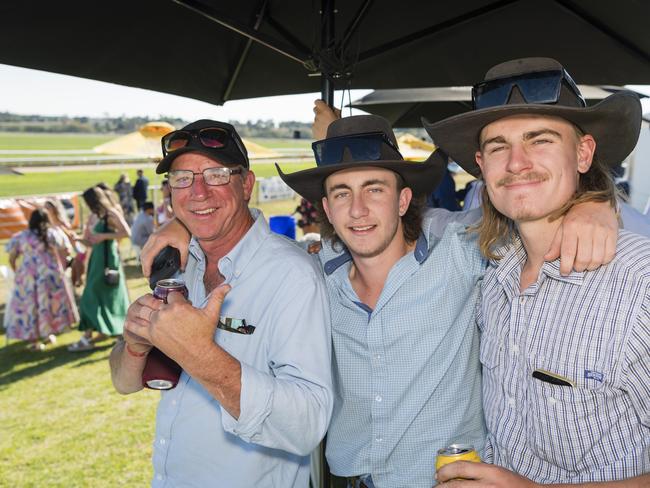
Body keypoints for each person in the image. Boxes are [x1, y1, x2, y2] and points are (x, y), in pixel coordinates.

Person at [140, 113, 620, 487]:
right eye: (342, 193)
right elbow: (235, 222)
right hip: (345, 481)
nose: (359, 210)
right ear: (325, 208)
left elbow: (531, 205)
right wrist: (182, 222)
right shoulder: (315, 273)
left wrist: (594, 202)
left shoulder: (458, 250)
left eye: (375, 189)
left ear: (404, 200)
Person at [424, 57, 650, 487]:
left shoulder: (639, 286)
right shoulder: (494, 272)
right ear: (480, 164)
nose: (516, 163)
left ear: (584, 152)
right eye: (497, 147)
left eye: (539, 140)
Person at [109, 119, 333, 487]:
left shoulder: (292, 275)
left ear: (246, 184)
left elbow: (307, 424)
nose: (198, 192)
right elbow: (124, 383)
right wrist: (134, 346)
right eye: (182, 178)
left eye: (215, 175)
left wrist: (201, 354)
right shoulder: (177, 264)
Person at [5, 208, 78, 350]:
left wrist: (18, 271)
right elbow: (67, 251)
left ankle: (35, 339)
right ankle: (48, 333)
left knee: (31, 307)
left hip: (28, 276)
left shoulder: (22, 236)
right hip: (51, 274)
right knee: (48, 305)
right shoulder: (54, 234)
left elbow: (12, 258)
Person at [68, 186, 131, 351]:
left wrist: (104, 236)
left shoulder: (111, 214)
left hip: (108, 260)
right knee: (98, 296)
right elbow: (91, 242)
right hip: (96, 258)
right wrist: (78, 239)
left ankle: (88, 338)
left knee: (95, 296)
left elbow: (126, 233)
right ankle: (111, 332)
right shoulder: (94, 216)